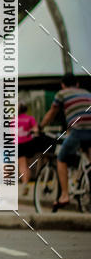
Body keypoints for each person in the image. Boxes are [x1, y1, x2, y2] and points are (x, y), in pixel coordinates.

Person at [40, 73, 91, 210]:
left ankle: (64, 195)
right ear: (77, 84)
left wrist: (40, 127)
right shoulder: (87, 93)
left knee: (61, 159)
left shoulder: (61, 94)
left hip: (78, 130)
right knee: (87, 155)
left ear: (63, 85)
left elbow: (52, 112)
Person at [16, 102, 38, 194]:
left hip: (19, 144)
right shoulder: (30, 118)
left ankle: (25, 183)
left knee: (22, 165)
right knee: (27, 165)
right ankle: (26, 182)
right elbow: (35, 129)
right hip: (29, 143)